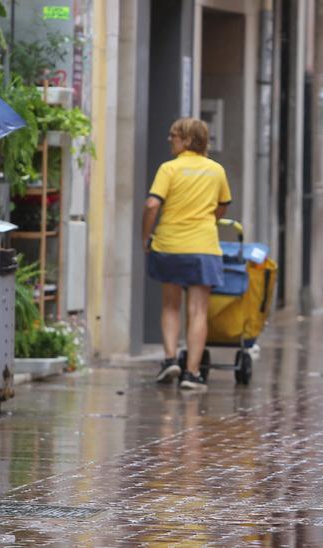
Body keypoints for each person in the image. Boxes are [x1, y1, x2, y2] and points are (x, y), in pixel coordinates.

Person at [142, 118, 232, 390]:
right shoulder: (216, 171)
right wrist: (206, 220)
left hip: (170, 245)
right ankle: (191, 374)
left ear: (188, 140)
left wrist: (145, 235)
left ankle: (170, 359)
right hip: (203, 247)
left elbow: (151, 203)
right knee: (198, 311)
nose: (170, 139)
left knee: (171, 305)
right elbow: (222, 206)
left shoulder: (169, 169)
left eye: (174, 135)